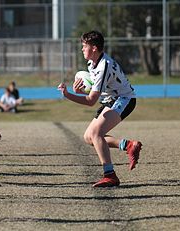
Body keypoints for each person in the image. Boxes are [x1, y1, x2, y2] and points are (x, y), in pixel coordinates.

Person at [57, 30, 142, 187]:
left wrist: (67, 94)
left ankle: (110, 175)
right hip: (112, 99)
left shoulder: (104, 66)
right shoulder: (93, 63)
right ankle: (128, 145)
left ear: (94, 48)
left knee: (96, 134)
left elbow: (91, 101)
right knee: (89, 137)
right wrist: (81, 91)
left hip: (124, 99)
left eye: (84, 46)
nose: (82, 49)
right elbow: (96, 92)